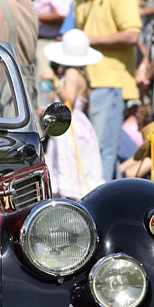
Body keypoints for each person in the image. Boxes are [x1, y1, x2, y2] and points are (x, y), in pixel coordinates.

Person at [72, 0, 142, 181]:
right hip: (89, 84)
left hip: (110, 82)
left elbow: (132, 35)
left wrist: (88, 41)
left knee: (102, 154)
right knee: (94, 154)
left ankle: (101, 215)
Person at [42, 29, 104, 200]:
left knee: (70, 167)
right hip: (78, 123)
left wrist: (54, 81)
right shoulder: (81, 74)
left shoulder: (72, 72)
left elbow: (69, 98)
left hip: (71, 127)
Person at [29, 0, 81, 104]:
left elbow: (65, 14)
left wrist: (35, 18)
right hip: (47, 42)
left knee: (44, 89)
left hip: (50, 43)